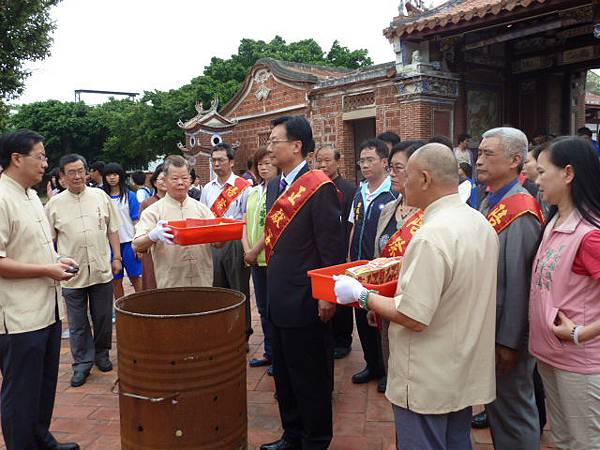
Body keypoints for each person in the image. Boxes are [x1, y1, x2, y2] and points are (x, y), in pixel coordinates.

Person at [334, 143, 498, 450]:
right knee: (456, 441)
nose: (401, 182)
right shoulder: (478, 221)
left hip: (426, 376)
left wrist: (363, 295)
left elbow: (412, 315)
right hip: (459, 367)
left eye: (405, 174)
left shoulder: (431, 235)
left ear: (424, 178)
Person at [259, 116, 344, 450]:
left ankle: (316, 440)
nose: (269, 148)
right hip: (278, 298)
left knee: (310, 378)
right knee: (285, 376)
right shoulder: (273, 186)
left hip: (307, 301)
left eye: (274, 141)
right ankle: (291, 435)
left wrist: (327, 296)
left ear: (296, 146)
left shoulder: (319, 187)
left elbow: (331, 248)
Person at [0, 129, 80, 450]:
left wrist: (58, 260)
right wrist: (48, 270)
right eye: (41, 156)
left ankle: (40, 440)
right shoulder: (2, 197)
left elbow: (33, 248)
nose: (46, 163)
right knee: (20, 393)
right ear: (16, 159)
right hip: (19, 317)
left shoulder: (32, 195)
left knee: (43, 386)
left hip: (47, 310)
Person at [529, 136, 600, 450]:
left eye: (543, 173)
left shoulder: (590, 234)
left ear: (568, 174)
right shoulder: (556, 220)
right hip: (551, 355)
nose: (537, 180)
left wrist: (583, 333)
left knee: (585, 442)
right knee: (563, 439)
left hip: (579, 361)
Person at [474, 127, 543, 449]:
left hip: (505, 334)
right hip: (489, 326)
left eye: (489, 154)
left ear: (516, 160)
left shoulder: (521, 211)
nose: (479, 160)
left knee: (513, 412)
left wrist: (510, 342)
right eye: (479, 153)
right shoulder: (491, 200)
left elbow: (520, 285)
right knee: (499, 410)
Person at [45, 154, 122, 388]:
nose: (77, 176)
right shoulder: (54, 205)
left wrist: (116, 256)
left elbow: (113, 229)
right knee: (77, 322)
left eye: (81, 171)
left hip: (100, 268)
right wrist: (56, 263)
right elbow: (48, 241)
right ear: (62, 177)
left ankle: (102, 354)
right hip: (71, 273)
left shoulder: (100, 196)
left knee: (102, 317)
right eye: (72, 172)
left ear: (86, 172)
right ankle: (81, 363)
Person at [372, 140, 424, 393]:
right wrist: (372, 296)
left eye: (398, 168)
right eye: (390, 167)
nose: (392, 173)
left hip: (417, 308)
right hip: (386, 302)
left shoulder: (431, 214)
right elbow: (377, 255)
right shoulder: (389, 209)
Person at [348, 138, 397, 385]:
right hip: (358, 268)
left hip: (381, 270)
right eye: (362, 161)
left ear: (384, 163)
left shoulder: (393, 194)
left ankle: (389, 370)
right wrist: (349, 260)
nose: (365, 165)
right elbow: (354, 227)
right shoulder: (360, 192)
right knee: (362, 318)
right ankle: (372, 365)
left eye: (370, 160)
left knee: (382, 320)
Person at [133, 156, 216, 288]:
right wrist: (153, 236)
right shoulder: (153, 211)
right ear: (165, 180)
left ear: (190, 180)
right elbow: (137, 245)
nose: (180, 183)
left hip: (202, 281)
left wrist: (225, 232)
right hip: (170, 284)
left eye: (184, 178)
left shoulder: (202, 209)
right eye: (175, 178)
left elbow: (217, 244)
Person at [200, 143, 252, 340]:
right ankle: (222, 334)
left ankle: (243, 333)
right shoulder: (207, 188)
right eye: (214, 160)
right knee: (217, 289)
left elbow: (247, 218)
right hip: (213, 243)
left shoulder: (245, 187)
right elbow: (205, 217)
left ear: (231, 162)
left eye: (221, 160)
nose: (216, 164)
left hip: (236, 241)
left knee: (238, 289)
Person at [315, 144, 357, 360]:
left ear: (338, 162)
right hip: (322, 252)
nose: (322, 165)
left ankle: (343, 340)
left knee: (342, 298)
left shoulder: (349, 190)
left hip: (341, 251)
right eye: (319, 160)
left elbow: (351, 224)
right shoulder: (317, 187)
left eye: (327, 160)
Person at [242, 147, 278, 373]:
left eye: (268, 163)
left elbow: (274, 226)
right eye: (260, 164)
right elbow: (244, 223)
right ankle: (269, 352)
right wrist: (247, 251)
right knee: (263, 309)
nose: (264, 168)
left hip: (270, 259)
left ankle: (279, 355)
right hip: (254, 259)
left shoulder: (281, 192)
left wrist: (255, 251)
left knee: (275, 310)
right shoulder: (253, 192)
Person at [102, 163, 142, 298]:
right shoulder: (102, 197)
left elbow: (136, 220)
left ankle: (142, 305)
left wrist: (138, 244)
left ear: (121, 176)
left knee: (135, 277)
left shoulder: (130, 196)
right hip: (110, 245)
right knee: (116, 280)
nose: (112, 178)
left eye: (115, 174)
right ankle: (121, 309)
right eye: (108, 175)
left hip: (129, 242)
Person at [139, 163, 167, 290]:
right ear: (155, 183)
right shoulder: (147, 204)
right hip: (153, 250)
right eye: (162, 179)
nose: (165, 182)